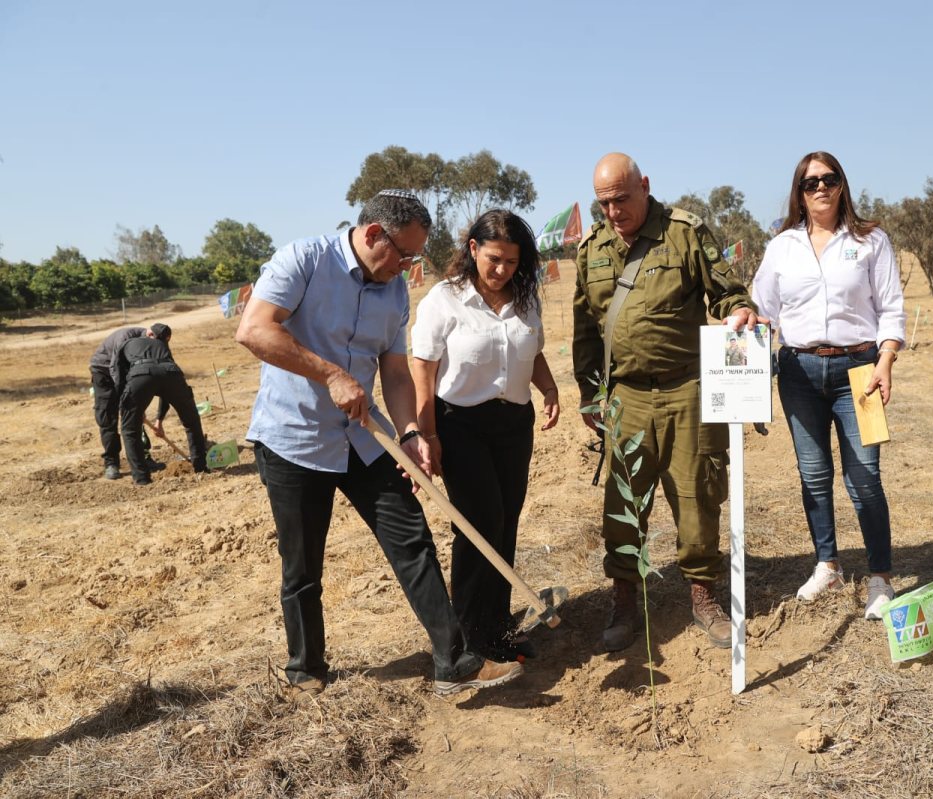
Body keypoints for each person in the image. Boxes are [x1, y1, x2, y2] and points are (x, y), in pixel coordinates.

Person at [235, 190, 522, 696]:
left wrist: (410, 431)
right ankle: (306, 668)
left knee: (411, 536)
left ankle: (452, 660)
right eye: (405, 255)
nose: (408, 266)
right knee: (303, 563)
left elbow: (393, 371)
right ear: (373, 236)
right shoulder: (304, 259)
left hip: (363, 439)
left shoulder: (393, 292)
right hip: (293, 437)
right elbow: (254, 330)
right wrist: (329, 374)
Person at [573, 153, 758, 652]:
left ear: (645, 186)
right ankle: (625, 600)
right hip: (626, 397)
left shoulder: (684, 232)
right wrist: (591, 395)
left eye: (621, 199)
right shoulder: (591, 249)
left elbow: (726, 291)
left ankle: (702, 594)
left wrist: (739, 309)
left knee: (698, 496)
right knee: (622, 504)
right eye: (604, 203)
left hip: (688, 390)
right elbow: (586, 331)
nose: (613, 211)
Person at [752, 152, 906, 621]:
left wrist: (886, 361)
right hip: (798, 372)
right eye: (810, 181)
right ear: (798, 192)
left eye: (829, 178)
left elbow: (892, 308)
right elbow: (762, 308)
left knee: (864, 478)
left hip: (858, 370)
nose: (820, 187)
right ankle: (828, 564)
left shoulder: (870, 240)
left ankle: (880, 577)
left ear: (842, 184)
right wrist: (743, 324)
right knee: (813, 474)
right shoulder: (782, 247)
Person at [410, 209, 560, 662]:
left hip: (514, 424)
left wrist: (549, 388)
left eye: (512, 262)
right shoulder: (444, 299)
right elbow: (423, 366)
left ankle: (498, 624)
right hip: (460, 424)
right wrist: (426, 432)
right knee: (480, 524)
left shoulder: (526, 298)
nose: (502, 270)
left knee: (507, 519)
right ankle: (473, 636)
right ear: (473, 249)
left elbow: (532, 350)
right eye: (494, 259)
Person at [113, 324, 209, 485]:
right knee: (191, 422)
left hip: (140, 375)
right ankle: (201, 467)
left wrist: (129, 406)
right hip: (172, 373)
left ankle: (142, 479)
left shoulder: (126, 345)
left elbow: (119, 377)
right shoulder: (161, 345)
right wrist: (159, 419)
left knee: (130, 430)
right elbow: (166, 385)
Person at [90, 324, 157, 479]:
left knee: (134, 413)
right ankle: (111, 463)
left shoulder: (149, 344)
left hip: (123, 374)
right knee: (108, 417)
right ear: (149, 335)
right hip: (104, 371)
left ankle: (143, 457)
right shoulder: (126, 337)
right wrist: (124, 397)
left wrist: (137, 404)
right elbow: (115, 368)